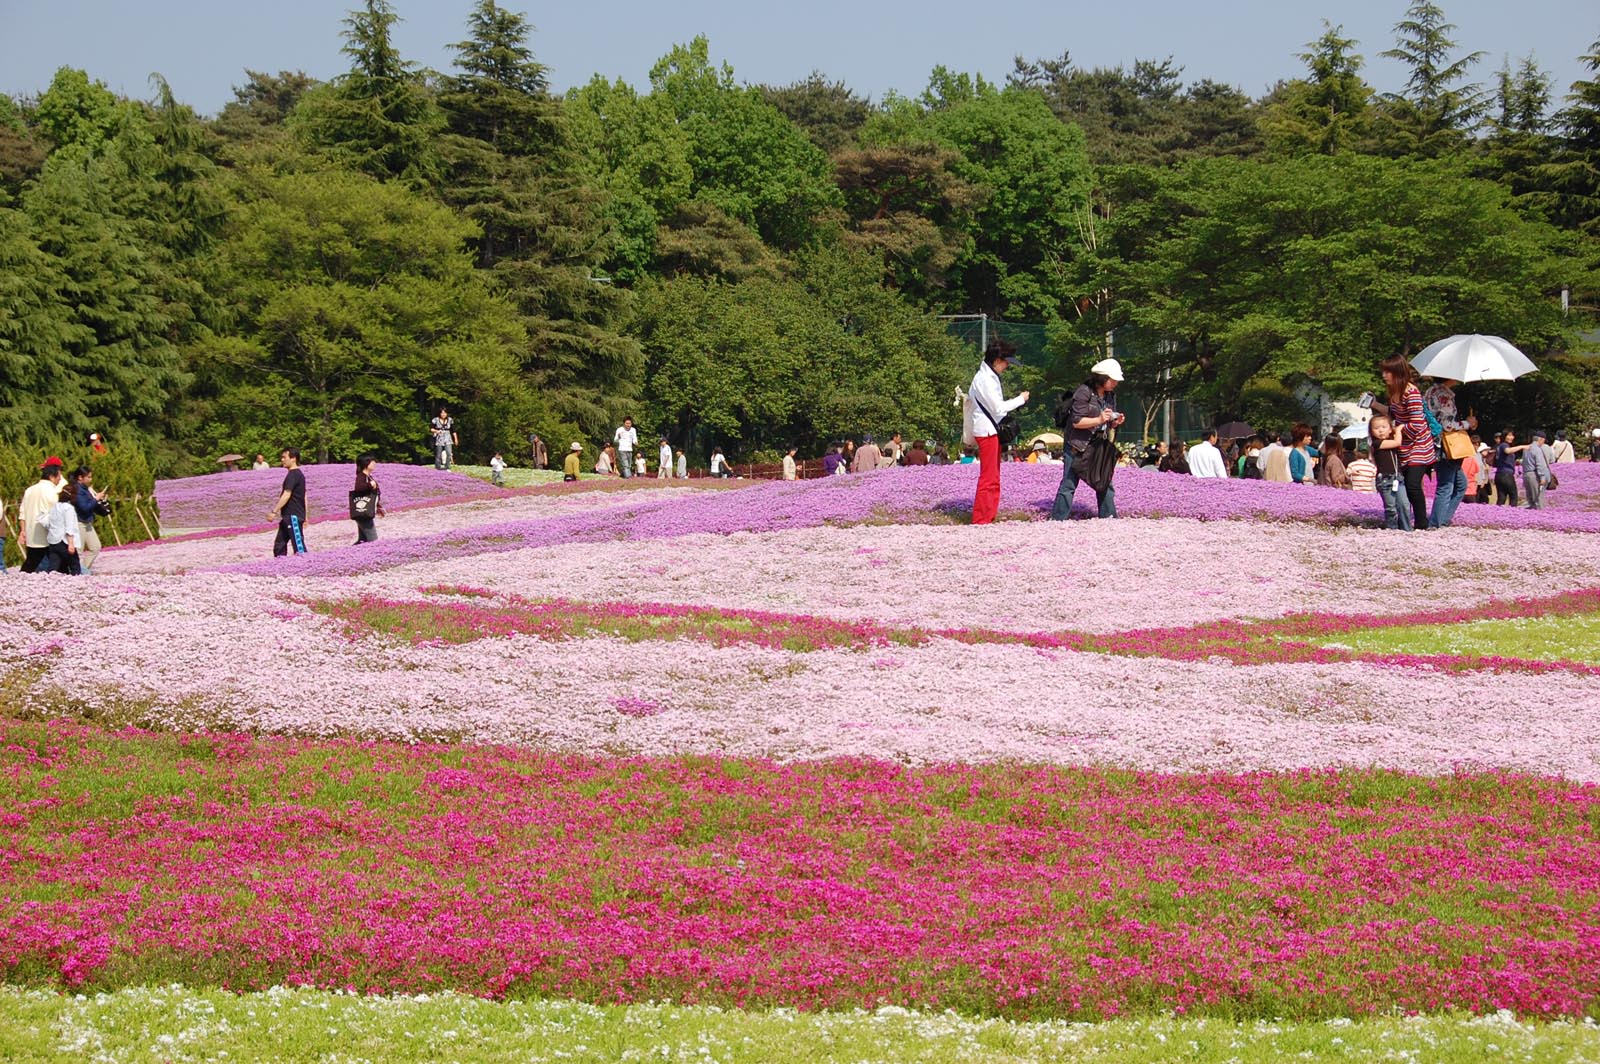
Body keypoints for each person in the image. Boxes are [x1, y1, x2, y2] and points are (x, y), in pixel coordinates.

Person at [965, 340, 1031, 525]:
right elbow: (998, 408)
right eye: (1006, 361)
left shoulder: (989, 376)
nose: (1008, 365)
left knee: (993, 476)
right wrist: (1020, 399)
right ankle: (981, 519)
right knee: (988, 477)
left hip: (989, 430)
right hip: (986, 432)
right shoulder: (984, 379)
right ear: (996, 360)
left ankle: (989, 515)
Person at [1048, 358, 1121, 521]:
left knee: (1104, 481)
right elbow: (1077, 422)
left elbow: (1106, 420)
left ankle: (1109, 517)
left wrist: (1114, 422)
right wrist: (1100, 419)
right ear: (1103, 378)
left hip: (1098, 445)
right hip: (1077, 445)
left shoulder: (1110, 395)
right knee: (1069, 483)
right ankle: (1058, 519)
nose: (1115, 383)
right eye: (1113, 380)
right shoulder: (1084, 392)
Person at [1376, 355, 1433, 530]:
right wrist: (1374, 404)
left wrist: (1397, 432)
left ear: (1398, 372)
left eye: (1388, 371)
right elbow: (1393, 415)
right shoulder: (1394, 393)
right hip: (1403, 447)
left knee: (1413, 485)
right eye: (1383, 371)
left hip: (1419, 446)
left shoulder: (1411, 392)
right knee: (1405, 486)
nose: (1384, 375)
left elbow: (1417, 423)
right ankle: (1407, 522)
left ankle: (1422, 524)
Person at [1422, 377, 1475, 528]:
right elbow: (1447, 425)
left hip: (1437, 444)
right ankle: (1436, 523)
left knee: (1460, 485)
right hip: (1445, 446)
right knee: (1446, 486)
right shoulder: (1443, 396)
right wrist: (1467, 424)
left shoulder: (1430, 392)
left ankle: (1443, 519)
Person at [19, 458, 66, 573]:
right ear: (51, 476)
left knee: (30, 565)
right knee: (60, 567)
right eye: (58, 476)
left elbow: (22, 513)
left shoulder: (29, 490)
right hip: (49, 536)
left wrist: (23, 531)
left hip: (32, 535)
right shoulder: (53, 492)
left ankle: (19, 582)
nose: (60, 479)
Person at [1370, 414, 1412, 530]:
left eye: (1384, 427)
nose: (1380, 430)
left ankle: (1406, 529)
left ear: (1389, 429)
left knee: (1404, 505)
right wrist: (1398, 430)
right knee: (1391, 508)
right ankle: (1392, 530)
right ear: (1371, 432)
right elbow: (1397, 442)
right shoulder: (1377, 443)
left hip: (1397, 478)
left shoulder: (1389, 440)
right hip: (1385, 479)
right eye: (1376, 428)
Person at [268, 449, 308, 557]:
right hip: (288, 516)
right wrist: (306, 516)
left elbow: (286, 494)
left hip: (293, 515)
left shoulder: (294, 475)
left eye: (284, 457)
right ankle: (281, 565)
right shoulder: (296, 474)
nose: (282, 460)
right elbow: (304, 496)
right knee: (279, 545)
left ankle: (306, 566)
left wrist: (274, 511)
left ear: (293, 458)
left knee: (299, 547)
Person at [71, 466, 111, 574]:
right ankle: (76, 572)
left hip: (87, 522)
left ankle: (82, 569)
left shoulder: (86, 489)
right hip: (79, 522)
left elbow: (91, 505)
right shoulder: (77, 490)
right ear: (80, 477)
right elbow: (84, 507)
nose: (90, 479)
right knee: (78, 551)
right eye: (88, 477)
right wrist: (96, 499)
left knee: (95, 547)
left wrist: (99, 502)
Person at [42, 483, 82, 575]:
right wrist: (71, 544)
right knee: (75, 567)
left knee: (54, 568)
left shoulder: (55, 506)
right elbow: (69, 527)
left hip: (53, 541)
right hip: (64, 542)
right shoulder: (68, 508)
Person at [352, 455, 384, 544]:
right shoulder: (362, 476)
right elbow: (359, 488)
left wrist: (378, 507)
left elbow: (372, 496)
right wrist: (370, 485)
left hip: (364, 512)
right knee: (373, 540)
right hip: (363, 513)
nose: (374, 463)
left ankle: (349, 554)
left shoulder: (368, 476)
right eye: (372, 462)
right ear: (366, 463)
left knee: (363, 540)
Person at [1493, 430, 1526, 507]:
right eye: (1509, 435)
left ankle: (1497, 514)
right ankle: (1512, 514)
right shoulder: (1504, 445)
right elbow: (1507, 451)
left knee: (1502, 497)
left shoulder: (1499, 446)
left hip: (1499, 474)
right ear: (1504, 436)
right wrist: (1521, 446)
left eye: (1512, 435)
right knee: (1513, 496)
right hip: (1506, 475)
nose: (1511, 437)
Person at [1523, 429, 1554, 510]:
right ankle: (1540, 516)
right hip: (1534, 475)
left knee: (1530, 499)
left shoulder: (1526, 448)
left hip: (1526, 474)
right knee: (1538, 499)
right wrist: (1542, 477)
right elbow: (1539, 464)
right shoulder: (1537, 449)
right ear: (1540, 439)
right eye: (1543, 441)